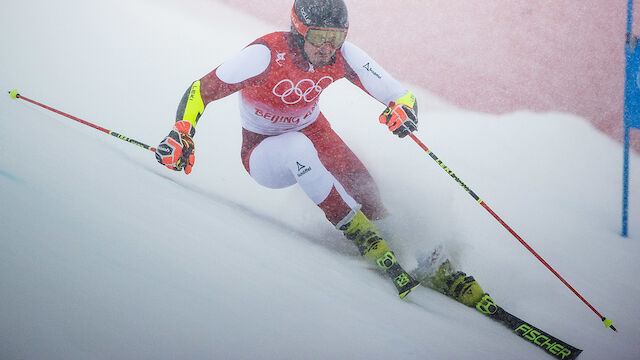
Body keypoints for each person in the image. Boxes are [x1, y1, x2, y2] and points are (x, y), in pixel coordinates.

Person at [155, 0, 484, 303]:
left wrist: (402, 109)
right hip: (262, 150)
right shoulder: (266, 54)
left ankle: (420, 260)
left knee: (365, 186)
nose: (328, 48)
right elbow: (202, 90)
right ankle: (362, 236)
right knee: (298, 148)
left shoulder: (343, 55)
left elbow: (398, 94)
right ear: (298, 31)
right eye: (319, 36)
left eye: (336, 38)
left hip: (315, 131)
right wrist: (182, 132)